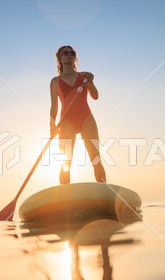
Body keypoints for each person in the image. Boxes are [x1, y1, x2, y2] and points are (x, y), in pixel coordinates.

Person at [50, 45, 106, 184]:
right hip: (66, 122)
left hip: (86, 118)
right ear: (60, 59)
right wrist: (52, 125)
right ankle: (64, 197)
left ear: (75, 57)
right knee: (65, 162)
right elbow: (54, 106)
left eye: (72, 52)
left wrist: (91, 82)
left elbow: (95, 96)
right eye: (66, 53)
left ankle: (104, 192)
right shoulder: (55, 81)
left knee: (96, 158)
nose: (70, 54)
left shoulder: (84, 76)